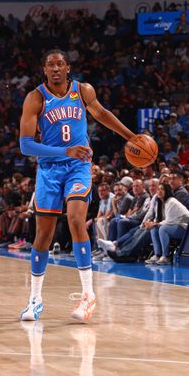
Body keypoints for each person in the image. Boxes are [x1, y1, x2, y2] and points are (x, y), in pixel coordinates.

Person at [18, 49, 136, 323]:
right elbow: (25, 145)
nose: (56, 69)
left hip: (78, 167)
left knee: (75, 220)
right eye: (51, 65)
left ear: (68, 68)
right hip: (50, 168)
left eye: (60, 64)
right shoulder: (35, 98)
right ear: (44, 70)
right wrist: (64, 152)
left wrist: (131, 137)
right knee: (43, 236)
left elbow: (102, 114)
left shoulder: (83, 91)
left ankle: (88, 295)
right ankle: (35, 300)